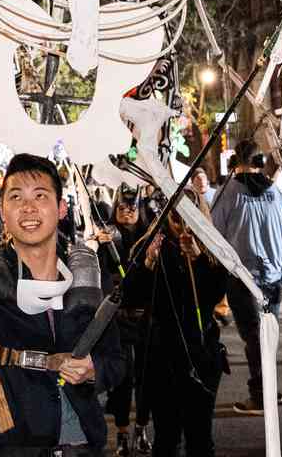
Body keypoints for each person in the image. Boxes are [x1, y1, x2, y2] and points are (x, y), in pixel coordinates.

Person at [0, 153, 125, 456]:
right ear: (3, 211)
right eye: (16, 197)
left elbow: (115, 360)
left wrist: (94, 369)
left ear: (61, 208)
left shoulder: (86, 278)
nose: (28, 207)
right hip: (10, 441)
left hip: (82, 442)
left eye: (41, 196)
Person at [124, 193, 228, 457]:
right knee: (167, 436)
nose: (179, 220)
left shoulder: (210, 245)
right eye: (174, 212)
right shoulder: (150, 244)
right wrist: (148, 262)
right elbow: (131, 297)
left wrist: (197, 258)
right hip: (162, 355)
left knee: (200, 436)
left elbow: (216, 293)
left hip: (200, 352)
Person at [210, 139, 282, 414]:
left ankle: (260, 395)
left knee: (254, 337)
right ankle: (268, 389)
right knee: (268, 336)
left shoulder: (228, 192)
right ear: (260, 162)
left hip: (242, 276)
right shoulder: (277, 193)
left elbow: (214, 234)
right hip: (273, 276)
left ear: (236, 161)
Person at [102, 186, 152, 456]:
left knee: (146, 378)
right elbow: (99, 274)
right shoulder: (107, 237)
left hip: (146, 318)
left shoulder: (150, 237)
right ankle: (121, 433)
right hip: (117, 319)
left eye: (133, 206)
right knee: (123, 378)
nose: (128, 211)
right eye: (122, 206)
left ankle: (141, 428)